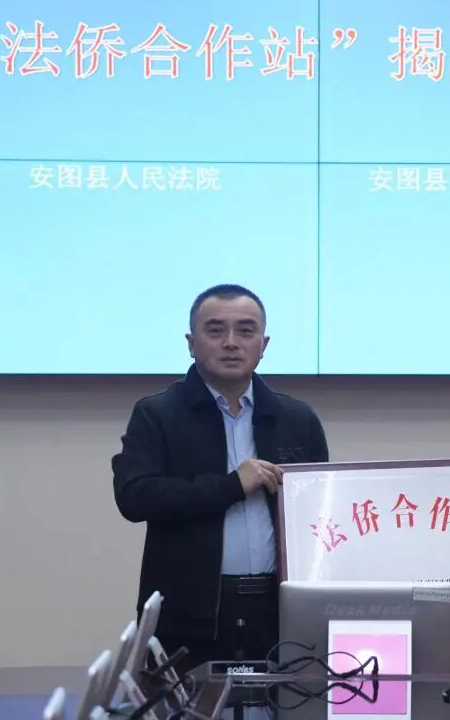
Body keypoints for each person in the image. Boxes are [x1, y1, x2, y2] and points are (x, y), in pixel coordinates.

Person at [112, 284, 328, 669]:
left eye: (245, 331)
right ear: (191, 343)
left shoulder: (297, 419)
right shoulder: (157, 414)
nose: (231, 342)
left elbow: (318, 516)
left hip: (278, 612)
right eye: (215, 330)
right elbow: (135, 496)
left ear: (264, 344)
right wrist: (231, 486)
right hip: (189, 616)